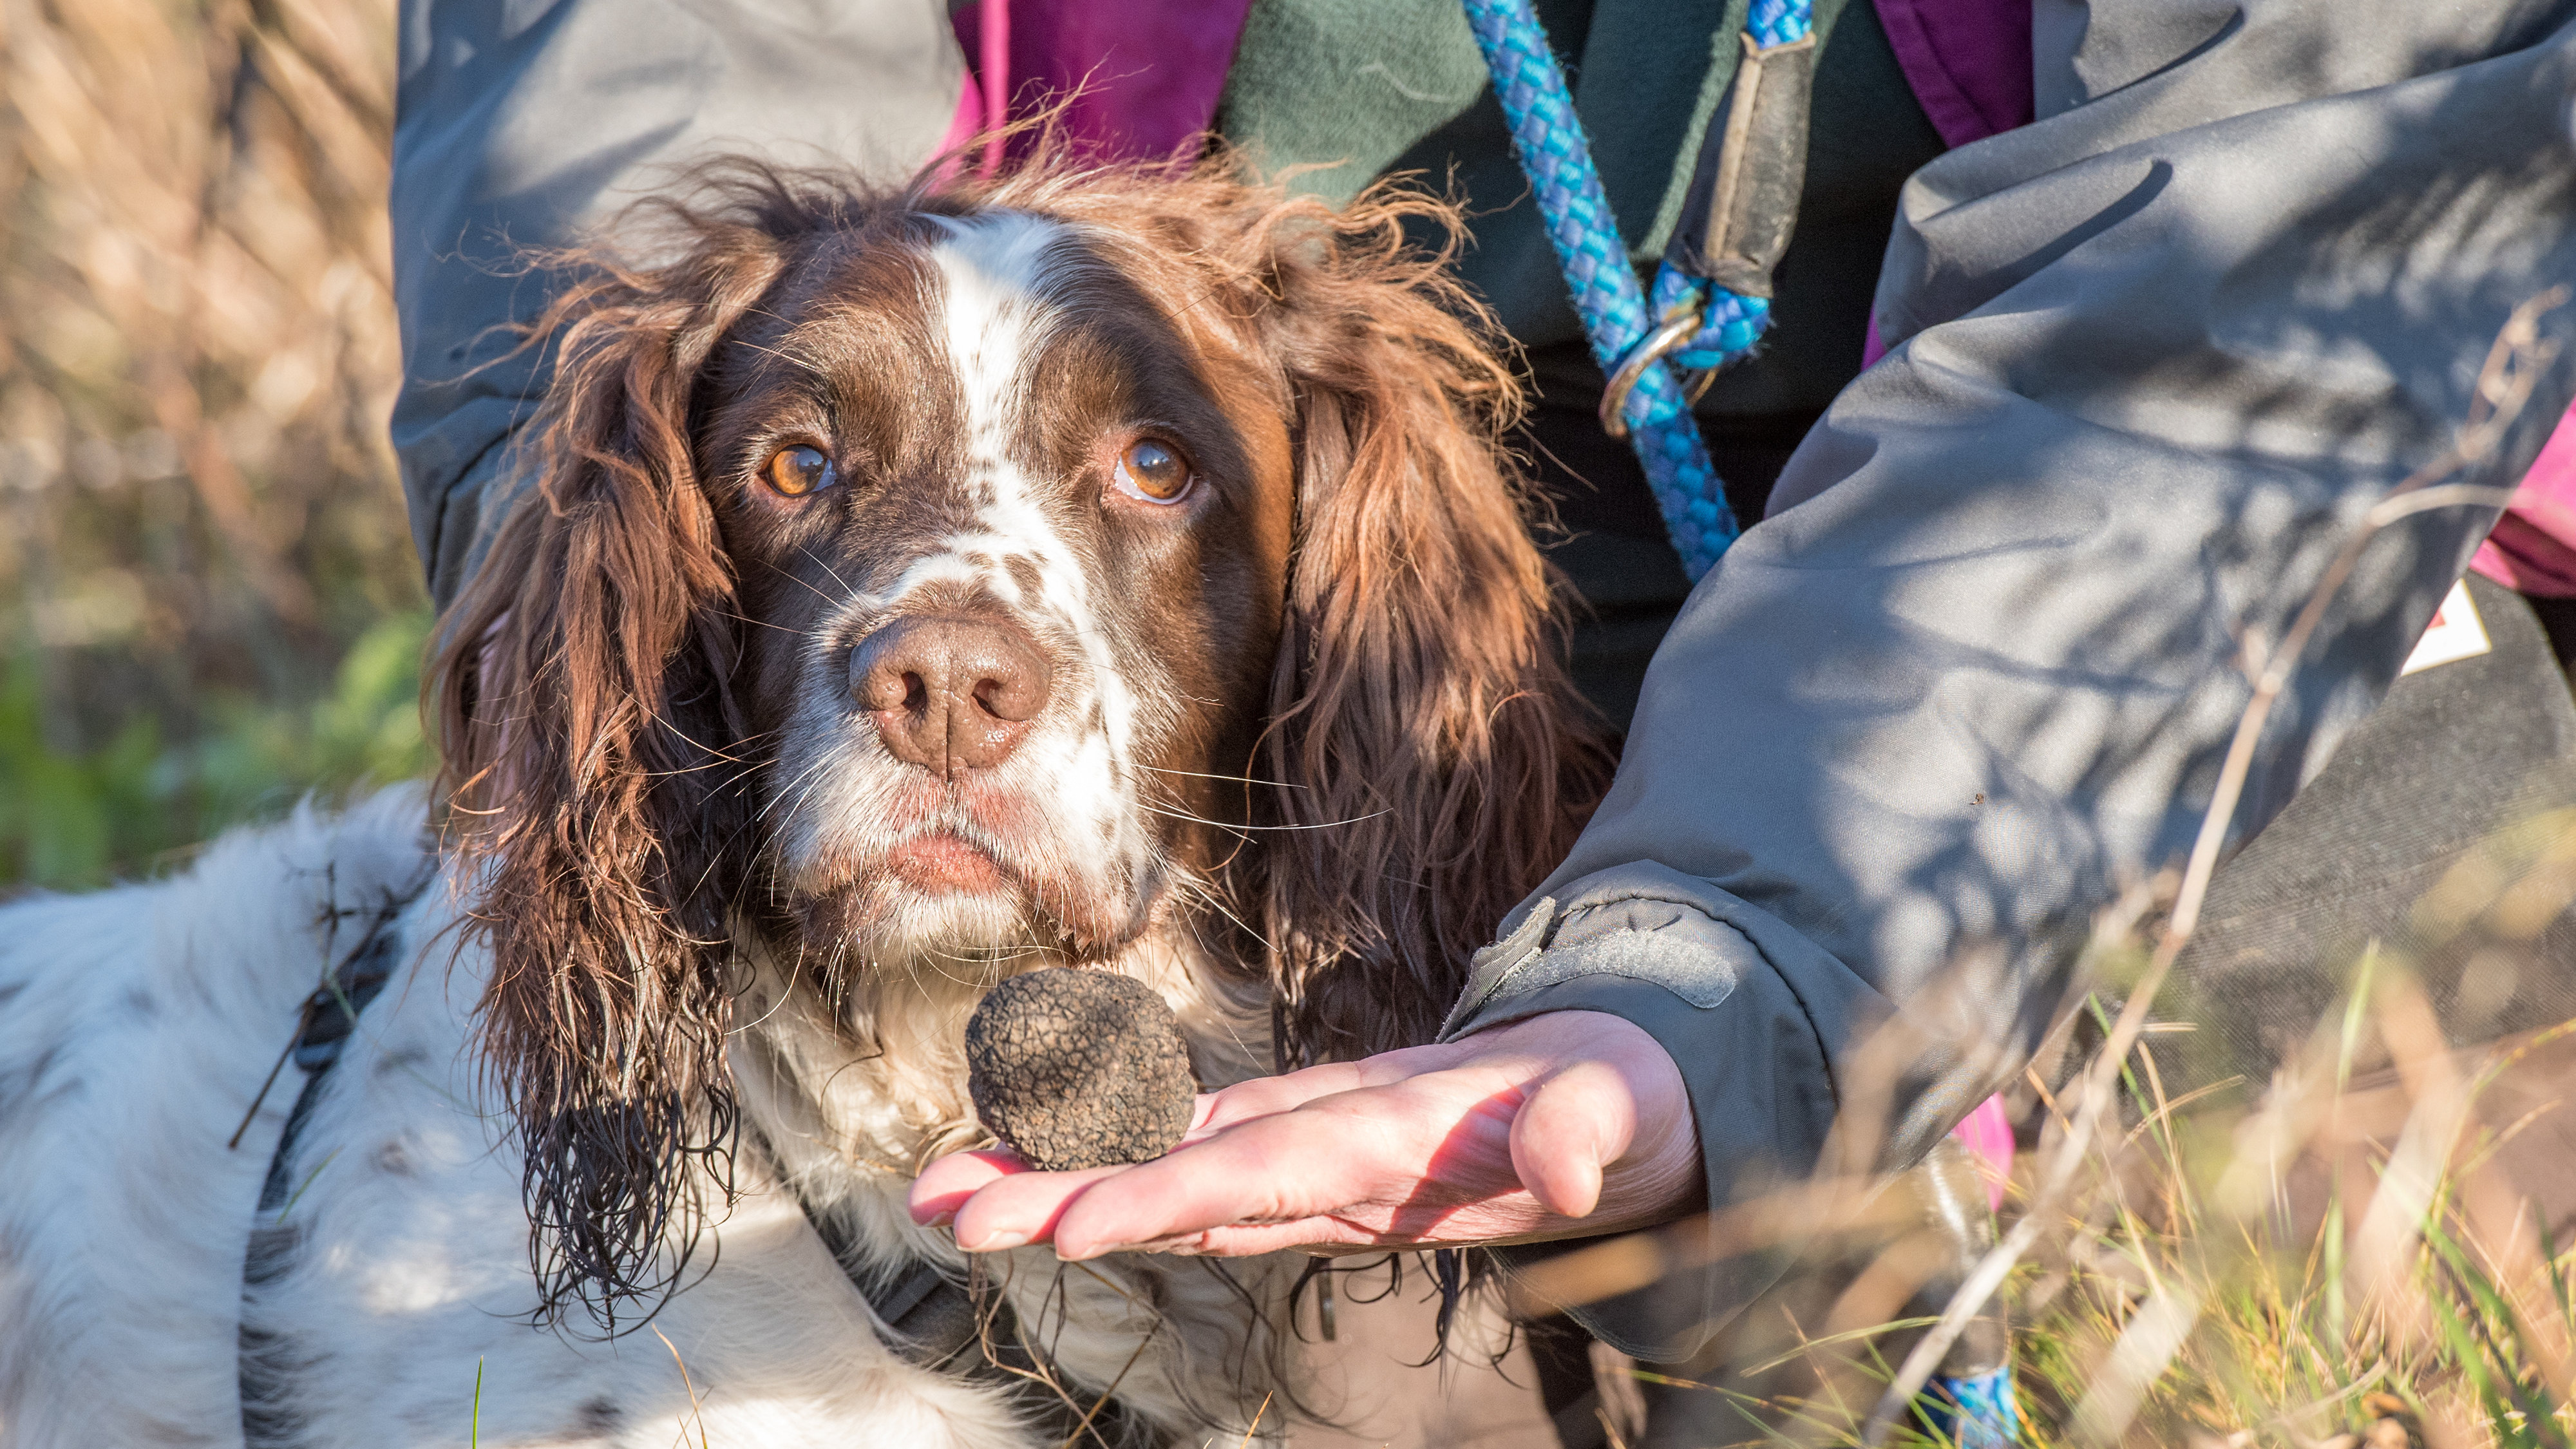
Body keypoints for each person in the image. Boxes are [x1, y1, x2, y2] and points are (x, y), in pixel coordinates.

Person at [394, 0, 2576, 1397]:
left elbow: (2270, 301)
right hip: (1259, 659)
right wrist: (627, 631)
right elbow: (640, 92)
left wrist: (1732, 970)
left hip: (2160, 546)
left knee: (2300, 1278)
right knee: (1360, 1345)